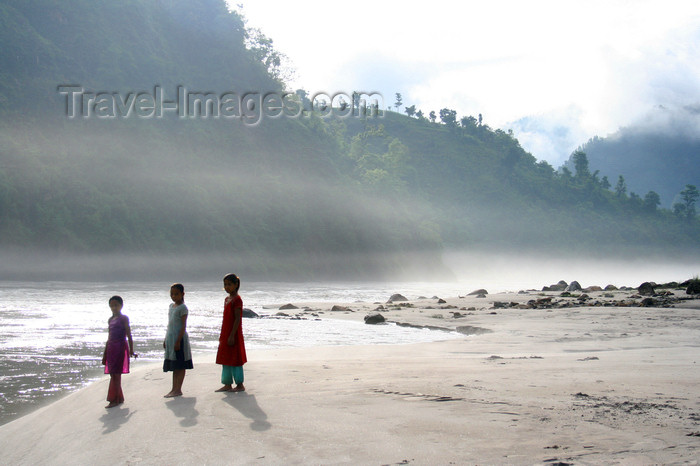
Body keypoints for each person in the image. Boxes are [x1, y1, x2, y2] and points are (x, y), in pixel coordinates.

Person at [102, 295, 136, 408]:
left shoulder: (124, 318)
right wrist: (104, 354)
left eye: (116, 305)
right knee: (112, 373)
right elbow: (108, 337)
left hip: (120, 346)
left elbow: (129, 334)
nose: (114, 308)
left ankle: (114, 399)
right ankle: (119, 397)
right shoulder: (110, 319)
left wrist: (131, 350)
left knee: (116, 373)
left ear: (121, 306)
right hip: (111, 347)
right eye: (111, 306)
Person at [215, 273, 247, 392]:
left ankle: (240, 384)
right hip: (226, 332)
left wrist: (232, 334)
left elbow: (238, 318)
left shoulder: (237, 300)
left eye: (229, 284)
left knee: (235, 358)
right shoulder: (227, 299)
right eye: (225, 285)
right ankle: (227, 383)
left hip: (234, 333)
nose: (227, 287)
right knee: (225, 358)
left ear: (236, 285)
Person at [163, 283, 193, 398]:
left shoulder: (183, 308)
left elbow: (183, 326)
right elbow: (169, 324)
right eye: (172, 294)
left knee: (180, 365)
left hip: (179, 339)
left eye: (176, 294)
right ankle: (173, 388)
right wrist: (166, 339)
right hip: (170, 338)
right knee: (174, 365)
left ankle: (178, 389)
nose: (174, 296)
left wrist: (178, 341)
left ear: (182, 294)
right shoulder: (171, 306)